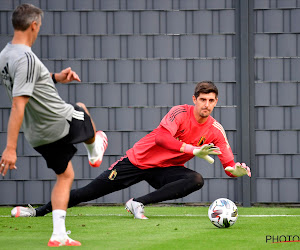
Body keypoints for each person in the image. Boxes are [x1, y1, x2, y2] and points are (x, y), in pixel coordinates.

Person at [11, 80, 251, 221]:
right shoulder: (180, 112)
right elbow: (161, 138)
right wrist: (191, 149)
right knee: (87, 193)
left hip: (164, 170)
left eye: (211, 101)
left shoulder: (216, 130)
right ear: (194, 99)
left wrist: (235, 171)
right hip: (137, 161)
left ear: (216, 102)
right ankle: (38, 212)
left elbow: (229, 165)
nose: (207, 105)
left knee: (195, 179)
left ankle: (137, 203)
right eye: (203, 100)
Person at [0, 3, 108, 247]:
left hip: (37, 135)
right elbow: (18, 104)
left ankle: (58, 235)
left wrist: (57, 77)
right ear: (34, 25)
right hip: (59, 122)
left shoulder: (6, 56)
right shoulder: (26, 57)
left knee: (65, 175)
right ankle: (95, 151)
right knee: (82, 109)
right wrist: (9, 148)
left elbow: (30, 84)